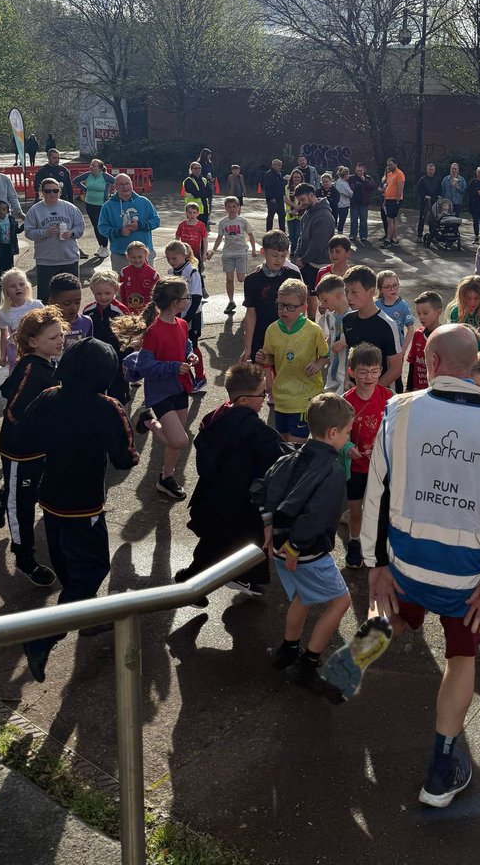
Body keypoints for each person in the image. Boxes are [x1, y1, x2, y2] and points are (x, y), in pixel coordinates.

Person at [319, 324, 480, 808]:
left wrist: (373, 562)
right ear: (475, 364)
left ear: (430, 362)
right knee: (461, 658)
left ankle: (350, 665)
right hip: (468, 575)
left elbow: (377, 490)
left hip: (407, 560)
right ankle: (441, 769)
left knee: (390, 613)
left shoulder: (400, 409)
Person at [20, 338, 139, 682]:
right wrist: (138, 426)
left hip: (50, 496)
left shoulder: (49, 396)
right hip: (83, 503)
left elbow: (26, 436)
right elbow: (124, 458)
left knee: (68, 568)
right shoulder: (107, 407)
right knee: (93, 567)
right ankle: (44, 636)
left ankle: (86, 618)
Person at [255, 392, 356, 685]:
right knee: (340, 602)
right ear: (334, 433)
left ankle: (288, 648)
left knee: (303, 596)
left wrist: (268, 525)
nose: (348, 436)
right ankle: (309, 663)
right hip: (305, 550)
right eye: (347, 431)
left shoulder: (292, 455)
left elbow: (266, 488)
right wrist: (296, 545)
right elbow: (319, 515)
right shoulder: (332, 470)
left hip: (281, 544)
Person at [176, 363, 288, 598]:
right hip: (238, 501)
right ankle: (190, 587)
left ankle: (231, 577)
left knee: (214, 543)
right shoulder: (252, 427)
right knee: (236, 543)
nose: (264, 398)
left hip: (212, 494)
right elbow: (277, 456)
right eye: (262, 394)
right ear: (245, 400)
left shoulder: (216, 416)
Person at [0, 308, 66, 582]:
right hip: (19, 452)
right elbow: (14, 409)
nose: (61, 340)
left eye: (62, 335)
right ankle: (24, 558)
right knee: (21, 505)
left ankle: (1, 497)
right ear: (33, 341)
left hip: (40, 449)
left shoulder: (48, 363)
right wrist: (35, 432)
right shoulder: (31, 369)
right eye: (53, 337)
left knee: (34, 492)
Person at [119, 278, 197, 501]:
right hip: (160, 393)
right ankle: (148, 422)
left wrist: (188, 355)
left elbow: (185, 346)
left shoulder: (181, 324)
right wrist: (175, 366)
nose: (187, 301)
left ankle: (166, 477)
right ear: (175, 302)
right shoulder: (153, 332)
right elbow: (145, 366)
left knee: (175, 440)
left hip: (180, 387)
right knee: (180, 440)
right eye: (185, 298)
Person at [259, 277, 329, 443]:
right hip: (281, 397)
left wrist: (317, 365)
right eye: (280, 305)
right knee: (283, 442)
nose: (284, 310)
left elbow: (325, 356)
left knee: (295, 446)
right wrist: (263, 358)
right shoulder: (272, 329)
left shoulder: (313, 331)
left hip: (304, 397)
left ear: (304, 307)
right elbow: (270, 359)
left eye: (290, 306)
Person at [343, 343, 393, 569]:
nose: (368, 377)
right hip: (355, 468)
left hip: (381, 468)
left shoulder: (390, 398)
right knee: (355, 509)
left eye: (374, 371)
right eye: (362, 372)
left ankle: (377, 545)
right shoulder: (345, 401)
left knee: (380, 509)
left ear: (381, 370)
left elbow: (397, 431)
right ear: (351, 371)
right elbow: (337, 433)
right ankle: (354, 542)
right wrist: (346, 447)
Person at [240, 230, 302, 366]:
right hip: (262, 336)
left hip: (288, 334)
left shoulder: (293, 276)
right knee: (263, 377)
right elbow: (250, 314)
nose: (279, 260)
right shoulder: (252, 280)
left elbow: (301, 309)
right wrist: (247, 347)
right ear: (263, 252)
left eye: (283, 256)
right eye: (274, 255)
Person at [23, 178, 85, 302]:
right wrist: (46, 232)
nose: (52, 194)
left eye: (55, 191)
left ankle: (71, 320)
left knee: (71, 296)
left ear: (60, 191)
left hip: (69, 258)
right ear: (42, 192)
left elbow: (80, 227)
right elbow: (28, 232)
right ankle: (47, 321)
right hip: (46, 260)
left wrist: (71, 233)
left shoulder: (70, 208)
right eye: (48, 191)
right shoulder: (35, 210)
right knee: (46, 298)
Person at [341, 264, 402, 388]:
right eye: (346, 292)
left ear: (371, 292)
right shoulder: (347, 319)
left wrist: (371, 392)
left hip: (384, 395)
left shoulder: (387, 324)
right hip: (358, 393)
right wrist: (347, 380)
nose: (348, 297)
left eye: (354, 292)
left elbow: (396, 369)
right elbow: (349, 357)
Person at [98, 173, 160, 274]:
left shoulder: (144, 201)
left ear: (132, 184)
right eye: (121, 184)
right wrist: (119, 231)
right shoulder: (107, 206)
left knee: (148, 287)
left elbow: (156, 221)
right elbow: (102, 228)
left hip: (143, 255)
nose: (125, 186)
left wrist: (139, 225)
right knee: (122, 287)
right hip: (120, 256)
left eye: (127, 183)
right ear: (115, 186)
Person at [83, 268, 130, 402]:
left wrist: (126, 360)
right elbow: (85, 335)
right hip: (95, 359)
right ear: (92, 291)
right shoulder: (88, 310)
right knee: (96, 392)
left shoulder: (121, 311)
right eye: (98, 293)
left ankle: (120, 418)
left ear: (116, 290)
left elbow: (128, 338)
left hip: (117, 358)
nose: (103, 297)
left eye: (107, 293)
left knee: (118, 393)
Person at [166, 239, 206, 391]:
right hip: (177, 316)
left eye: (174, 258)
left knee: (193, 346)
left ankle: (201, 377)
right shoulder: (171, 272)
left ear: (184, 255)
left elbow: (196, 298)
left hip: (192, 317)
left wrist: (186, 319)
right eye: (168, 258)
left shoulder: (192, 272)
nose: (171, 261)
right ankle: (187, 379)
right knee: (181, 347)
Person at [209, 195, 257, 314]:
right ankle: (231, 301)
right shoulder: (223, 222)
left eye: (234, 206)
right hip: (228, 253)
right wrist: (213, 251)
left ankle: (250, 296)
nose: (232, 209)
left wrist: (254, 249)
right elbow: (219, 238)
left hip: (241, 252)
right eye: (229, 207)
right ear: (225, 208)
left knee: (241, 279)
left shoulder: (242, 221)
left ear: (238, 207)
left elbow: (250, 235)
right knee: (229, 279)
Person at [294, 183, 336, 317]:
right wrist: (297, 254)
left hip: (318, 264)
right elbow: (302, 236)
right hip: (307, 261)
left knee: (314, 295)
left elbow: (317, 245)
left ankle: (313, 323)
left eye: (303, 200)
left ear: (312, 196)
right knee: (308, 294)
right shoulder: (309, 212)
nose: (301, 203)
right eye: (299, 201)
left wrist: (303, 259)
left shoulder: (323, 216)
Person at [0, 268, 42, 371]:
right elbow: (4, 334)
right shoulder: (3, 312)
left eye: (21, 284)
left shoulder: (36, 305)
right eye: (12, 286)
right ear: (5, 290)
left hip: (36, 348)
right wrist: (3, 356)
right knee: (17, 379)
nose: (18, 288)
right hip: (16, 352)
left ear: (27, 286)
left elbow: (48, 325)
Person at [376, 270, 415, 382]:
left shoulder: (403, 306)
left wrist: (403, 351)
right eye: (387, 287)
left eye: (395, 285)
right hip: (379, 350)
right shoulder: (376, 305)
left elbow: (411, 329)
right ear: (381, 289)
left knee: (395, 378)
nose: (392, 289)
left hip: (397, 350)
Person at [72, 159, 116, 257]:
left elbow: (116, 182)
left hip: (101, 205)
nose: (91, 167)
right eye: (91, 165)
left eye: (94, 166)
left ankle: (105, 248)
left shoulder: (105, 176)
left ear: (100, 168)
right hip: (89, 204)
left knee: (101, 225)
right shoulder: (88, 175)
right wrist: (86, 189)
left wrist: (113, 195)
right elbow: (76, 181)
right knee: (95, 226)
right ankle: (100, 246)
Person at [316, 274, 351, 394]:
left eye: (325, 300)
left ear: (339, 294)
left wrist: (345, 341)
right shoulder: (329, 316)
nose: (323, 305)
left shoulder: (355, 314)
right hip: (333, 374)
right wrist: (318, 362)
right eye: (321, 301)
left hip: (349, 376)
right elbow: (329, 341)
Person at [406, 290, 443, 391]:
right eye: (419, 313)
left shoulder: (444, 337)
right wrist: (408, 388)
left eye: (425, 313)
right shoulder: (418, 334)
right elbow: (412, 362)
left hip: (436, 390)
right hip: (417, 389)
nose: (421, 317)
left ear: (438, 312)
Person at [48, 273, 94, 353]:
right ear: (52, 301)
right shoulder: (45, 325)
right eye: (67, 304)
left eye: (77, 302)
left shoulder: (87, 322)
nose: (74, 308)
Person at [446, 275, 480, 350]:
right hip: (462, 353)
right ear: (462, 297)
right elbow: (453, 338)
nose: (472, 303)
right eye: (468, 298)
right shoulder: (456, 312)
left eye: (477, 298)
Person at [175, 202, 209, 296]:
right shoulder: (182, 225)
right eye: (189, 212)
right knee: (182, 270)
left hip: (196, 253)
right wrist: (176, 250)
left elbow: (205, 240)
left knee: (197, 271)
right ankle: (181, 289)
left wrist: (205, 253)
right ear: (186, 213)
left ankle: (202, 288)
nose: (192, 215)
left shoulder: (201, 225)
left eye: (194, 212)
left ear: (198, 213)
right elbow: (177, 237)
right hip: (184, 253)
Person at [118, 240, 160, 314]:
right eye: (133, 257)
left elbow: (157, 294)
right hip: (128, 311)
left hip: (147, 312)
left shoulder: (153, 274)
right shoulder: (124, 272)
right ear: (128, 256)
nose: (137, 260)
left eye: (140, 257)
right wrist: (123, 308)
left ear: (146, 255)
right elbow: (121, 291)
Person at [0, 198, 22, 278]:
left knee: (10, 260)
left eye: (4, 209)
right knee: (0, 260)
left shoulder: (11, 219)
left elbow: (16, 230)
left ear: (7, 210)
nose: (1, 211)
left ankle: (9, 276)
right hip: (0, 244)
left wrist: (24, 226)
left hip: (10, 244)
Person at [349, 163, 377, 244]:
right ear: (355, 170)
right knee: (353, 220)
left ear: (364, 170)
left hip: (364, 203)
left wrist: (364, 179)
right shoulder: (352, 178)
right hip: (354, 202)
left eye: (361, 170)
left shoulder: (368, 178)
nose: (359, 172)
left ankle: (363, 235)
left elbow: (373, 186)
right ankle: (353, 235)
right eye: (358, 170)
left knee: (363, 220)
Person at [381, 158, 405, 247]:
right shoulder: (390, 174)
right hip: (388, 199)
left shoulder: (400, 174)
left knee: (390, 220)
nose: (389, 166)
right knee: (393, 220)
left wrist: (398, 200)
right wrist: (384, 201)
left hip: (395, 200)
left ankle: (388, 240)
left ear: (395, 164)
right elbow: (387, 188)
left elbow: (400, 188)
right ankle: (394, 239)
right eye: (388, 165)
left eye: (391, 165)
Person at [183, 161, 213, 229]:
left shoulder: (204, 179)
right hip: (193, 211)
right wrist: (203, 193)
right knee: (193, 230)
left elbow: (209, 193)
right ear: (191, 169)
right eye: (196, 168)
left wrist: (202, 193)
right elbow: (196, 194)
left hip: (204, 209)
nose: (198, 170)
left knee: (203, 231)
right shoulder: (188, 181)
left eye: (199, 168)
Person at [263, 158, 286, 231]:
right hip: (272, 200)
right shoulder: (269, 175)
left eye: (281, 165)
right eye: (278, 165)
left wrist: (284, 194)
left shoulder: (279, 174)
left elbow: (282, 185)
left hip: (280, 198)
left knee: (282, 215)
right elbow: (267, 187)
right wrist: (271, 198)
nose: (280, 167)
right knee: (271, 216)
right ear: (273, 165)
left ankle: (282, 231)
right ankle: (268, 231)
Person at [333, 166, 353, 232]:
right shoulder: (342, 184)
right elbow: (350, 193)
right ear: (345, 175)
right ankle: (339, 234)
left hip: (340, 204)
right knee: (341, 221)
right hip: (342, 205)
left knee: (339, 221)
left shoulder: (338, 182)